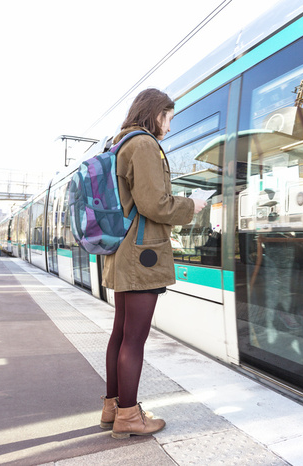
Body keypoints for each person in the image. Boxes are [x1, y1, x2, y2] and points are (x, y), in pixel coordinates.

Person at [99, 88, 206, 439]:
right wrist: (192, 205)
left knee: (121, 334)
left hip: (122, 253)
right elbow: (154, 204)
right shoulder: (143, 145)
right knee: (135, 339)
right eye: (169, 118)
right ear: (155, 113)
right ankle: (129, 416)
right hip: (140, 254)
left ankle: (113, 408)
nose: (170, 127)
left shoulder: (119, 144)